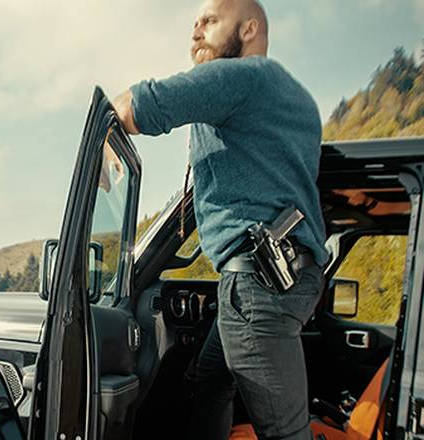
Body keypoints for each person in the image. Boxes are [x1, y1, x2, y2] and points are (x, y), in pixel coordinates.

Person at [110, 0, 330, 438]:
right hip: (294, 277)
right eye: (194, 24)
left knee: (285, 432)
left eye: (210, 22)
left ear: (249, 29)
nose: (195, 33)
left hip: (256, 284)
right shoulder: (297, 99)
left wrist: (105, 133)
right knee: (210, 378)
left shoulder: (242, 76)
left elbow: (141, 105)